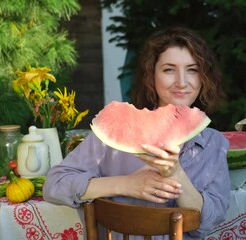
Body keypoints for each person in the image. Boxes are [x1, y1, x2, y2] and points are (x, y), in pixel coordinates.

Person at [43, 26, 231, 239]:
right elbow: (54, 185)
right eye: (169, 69)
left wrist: (176, 173)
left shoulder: (214, 144)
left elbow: (210, 221)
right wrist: (126, 184)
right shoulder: (111, 137)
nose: (182, 82)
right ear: (151, 76)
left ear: (204, 77)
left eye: (193, 69)